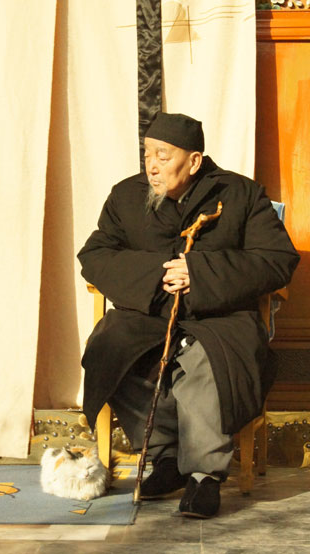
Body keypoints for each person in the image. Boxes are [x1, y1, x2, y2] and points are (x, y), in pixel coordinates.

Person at [77, 112, 299, 518]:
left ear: (194, 161)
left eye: (164, 154)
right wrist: (157, 272)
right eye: (148, 154)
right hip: (149, 311)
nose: (152, 164)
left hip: (220, 315)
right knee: (110, 348)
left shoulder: (242, 194)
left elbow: (276, 259)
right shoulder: (127, 196)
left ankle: (203, 476)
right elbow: (94, 256)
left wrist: (198, 274)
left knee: (205, 360)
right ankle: (166, 457)